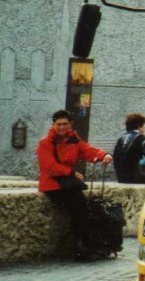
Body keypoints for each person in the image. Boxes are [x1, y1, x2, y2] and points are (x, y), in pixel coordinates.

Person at [37, 110, 113, 259]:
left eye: (65, 124)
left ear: (70, 125)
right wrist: (71, 173)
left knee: (82, 207)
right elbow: (49, 166)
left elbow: (87, 151)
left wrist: (103, 155)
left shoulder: (74, 139)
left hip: (67, 184)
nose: (62, 127)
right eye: (59, 124)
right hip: (52, 185)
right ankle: (81, 247)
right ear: (53, 125)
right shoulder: (45, 143)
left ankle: (85, 244)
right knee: (80, 207)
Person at [112, 112, 145, 183]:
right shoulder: (140, 137)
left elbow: (115, 158)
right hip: (135, 178)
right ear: (139, 125)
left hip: (121, 178)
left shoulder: (121, 138)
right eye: (144, 125)